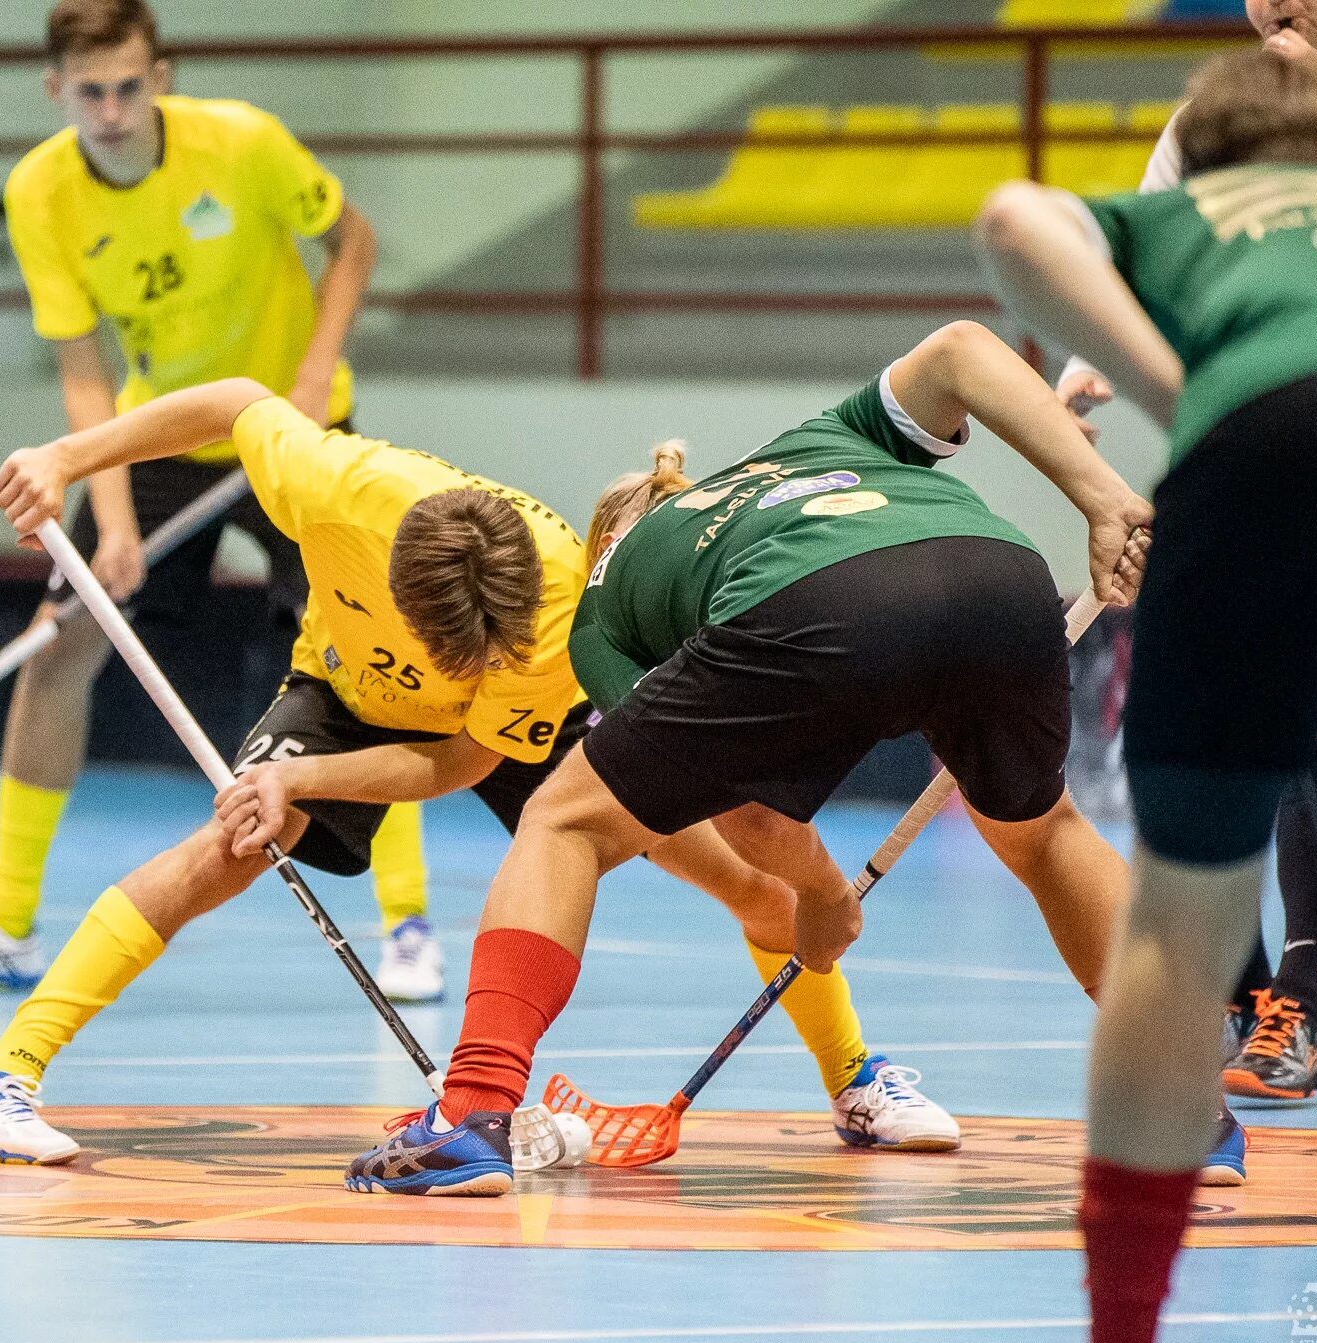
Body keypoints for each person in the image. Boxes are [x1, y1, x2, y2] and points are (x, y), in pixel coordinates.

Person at [0, 377, 959, 1165]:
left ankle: (854, 1080)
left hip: (488, 728)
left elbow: (456, 762)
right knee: (231, 847)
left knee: (739, 870)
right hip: (342, 689)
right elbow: (237, 400)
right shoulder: (334, 483)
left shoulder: (551, 612)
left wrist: (319, 781)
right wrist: (66, 453)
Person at [342, 320, 1172, 1197]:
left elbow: (744, 809)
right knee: (1044, 833)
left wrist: (820, 898)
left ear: (602, 546)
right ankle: (1185, 1106)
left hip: (820, 608)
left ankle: (471, 1111)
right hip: (1004, 576)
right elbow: (964, 346)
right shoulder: (815, 443)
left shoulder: (606, 609)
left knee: (561, 819)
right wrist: (1102, 498)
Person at [977, 47, 1317, 1343]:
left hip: (1271, 444)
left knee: (1181, 928)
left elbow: (1011, 222)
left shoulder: (1199, 207)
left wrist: (1179, 389)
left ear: (1208, 157)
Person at [0, 0, 442, 1005]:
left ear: (162, 76)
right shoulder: (41, 192)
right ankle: (5, 924)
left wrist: (315, 376)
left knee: (369, 666)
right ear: (55, 91)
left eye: (127, 86)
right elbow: (82, 371)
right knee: (59, 642)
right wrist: (116, 520)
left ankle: (406, 925)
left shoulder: (244, 145)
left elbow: (351, 242)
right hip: (158, 436)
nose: (109, 109)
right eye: (88, 91)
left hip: (298, 426)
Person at [1056, 0, 1317, 1098]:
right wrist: (1097, 365)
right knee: (1250, 728)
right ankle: (1245, 999)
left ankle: (1293, 1002)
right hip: (1266, 436)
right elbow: (1133, 245)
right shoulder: (1214, 103)